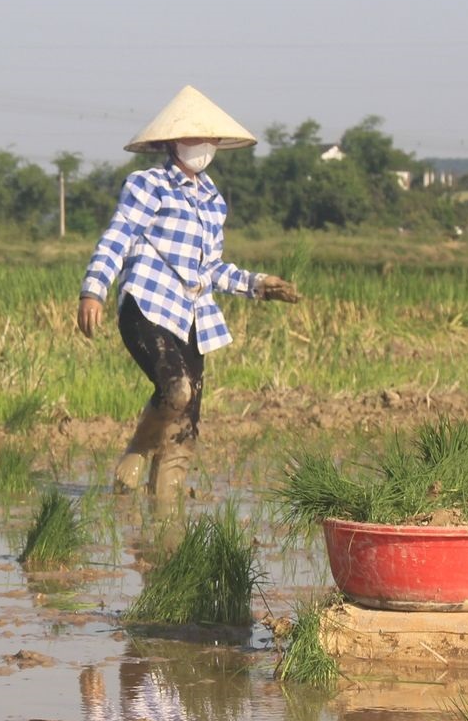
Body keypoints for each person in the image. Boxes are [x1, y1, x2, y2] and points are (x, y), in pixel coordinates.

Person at [77, 86, 300, 501]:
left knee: (189, 413)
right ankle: (137, 452)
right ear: (174, 140)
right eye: (198, 137)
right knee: (175, 389)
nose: (206, 147)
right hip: (147, 304)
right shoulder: (149, 185)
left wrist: (257, 284)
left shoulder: (213, 201)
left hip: (191, 316)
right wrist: (94, 290)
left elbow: (210, 268)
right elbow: (118, 236)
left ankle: (166, 504)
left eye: (211, 139)